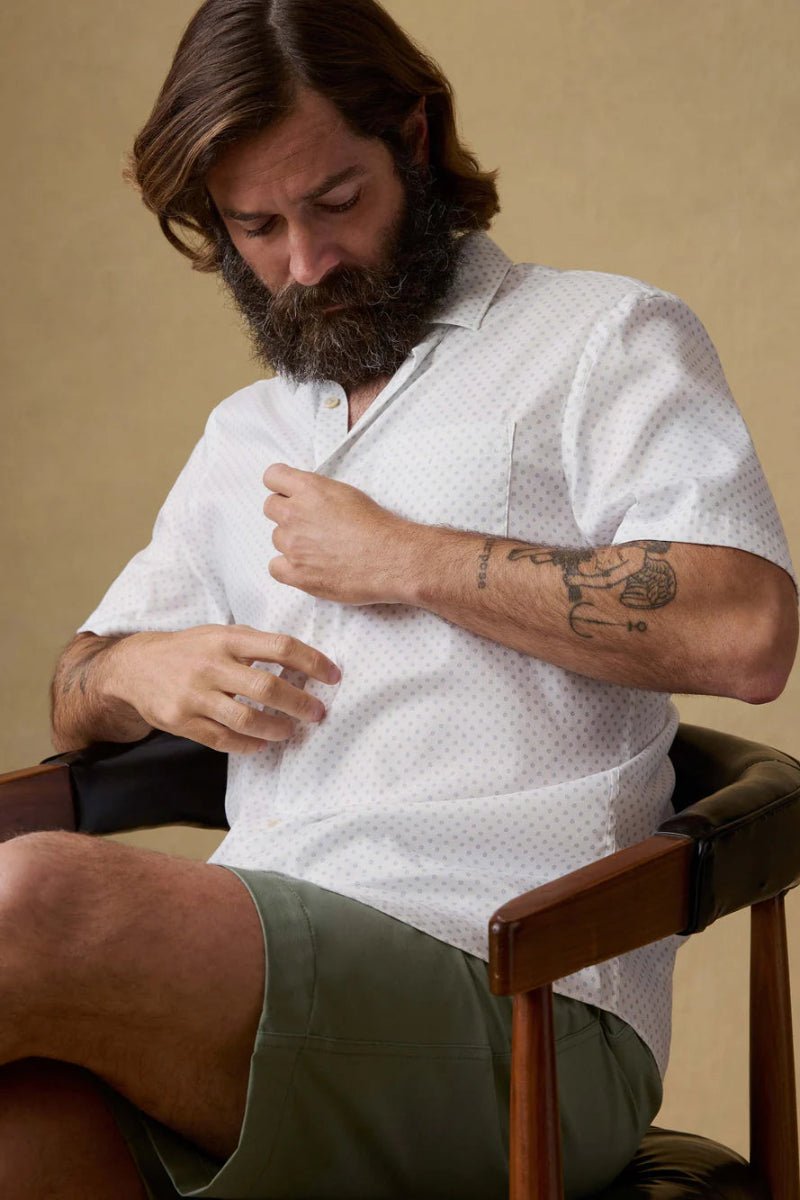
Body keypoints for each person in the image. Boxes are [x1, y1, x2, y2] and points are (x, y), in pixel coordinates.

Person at [3, 0, 796, 1197]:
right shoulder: (246, 433)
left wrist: (408, 559)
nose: (304, 263)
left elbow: (744, 628)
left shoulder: (597, 339)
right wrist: (130, 670)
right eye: (255, 227)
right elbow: (77, 688)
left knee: (36, 899)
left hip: (513, 997)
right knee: (24, 1131)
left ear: (414, 140)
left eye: (336, 202)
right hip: (252, 978)